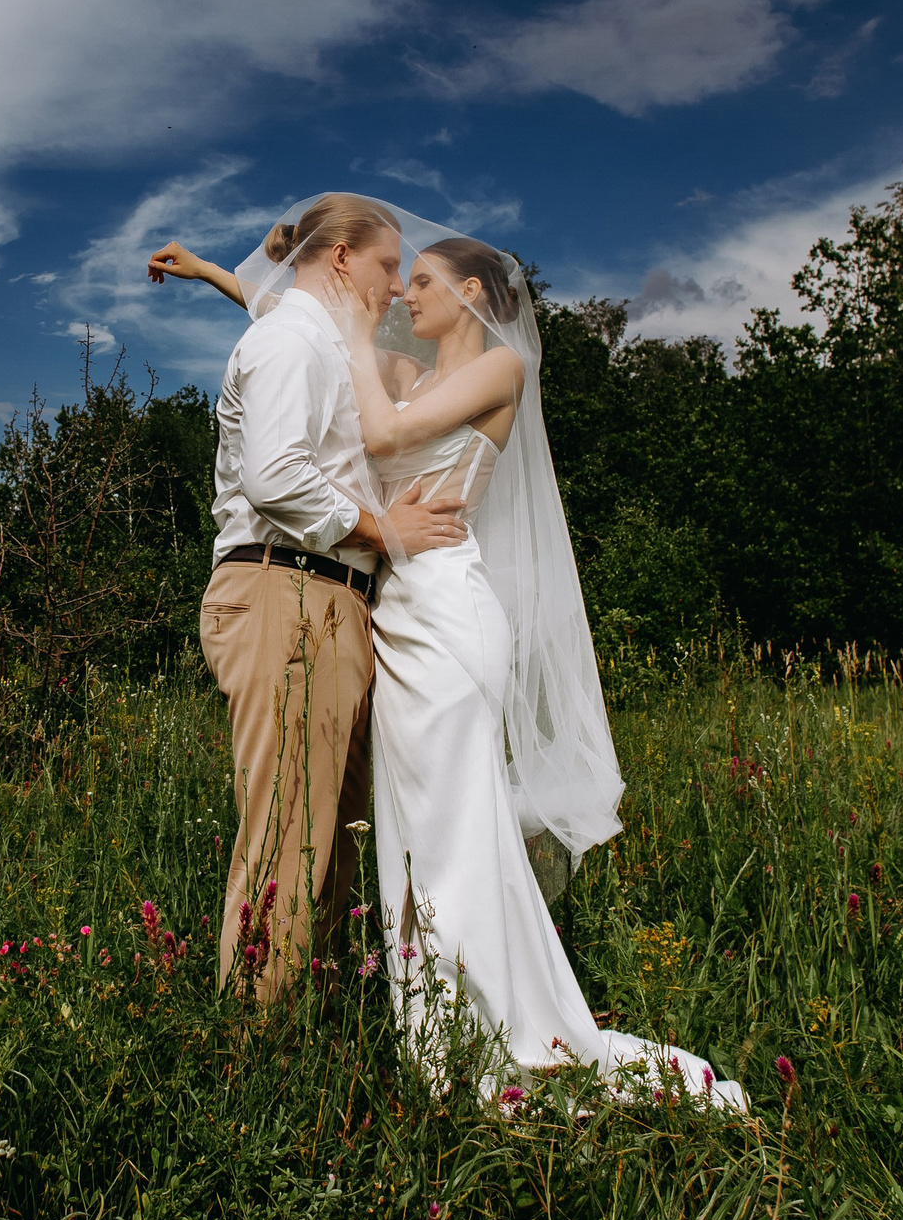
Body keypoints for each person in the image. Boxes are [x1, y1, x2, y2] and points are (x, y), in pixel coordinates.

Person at [151, 203, 747, 1111]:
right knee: (408, 832)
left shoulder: (495, 368)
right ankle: (435, 1027)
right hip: (391, 610)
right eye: (394, 272)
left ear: (471, 293)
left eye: (418, 279)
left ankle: (490, 1030)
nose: (400, 292)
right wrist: (217, 273)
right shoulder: (404, 370)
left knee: (453, 825)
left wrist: (335, 305)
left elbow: (379, 429)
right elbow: (295, 322)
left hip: (445, 614)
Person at [177, 194, 472, 1002]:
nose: (394, 287)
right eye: (385, 265)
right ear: (340, 257)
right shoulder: (288, 340)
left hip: (325, 597)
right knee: (287, 837)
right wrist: (384, 528)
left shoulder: (324, 341)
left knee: (330, 842)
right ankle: (250, 1055)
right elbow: (275, 476)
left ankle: (311, 1027)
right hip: (287, 590)